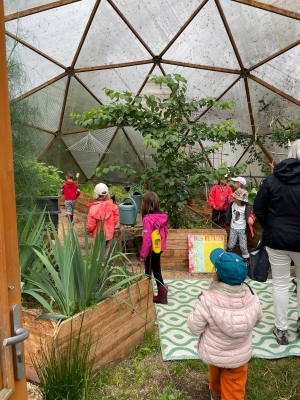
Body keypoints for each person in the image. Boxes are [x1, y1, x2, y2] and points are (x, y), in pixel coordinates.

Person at [187, 248, 262, 400]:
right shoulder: (253, 300)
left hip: (215, 353)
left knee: (215, 375)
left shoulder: (207, 301)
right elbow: (258, 320)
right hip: (239, 357)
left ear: (217, 275)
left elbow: (194, 328)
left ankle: (216, 394)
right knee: (234, 388)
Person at [253, 139, 300, 345]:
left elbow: (259, 207)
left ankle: (281, 330)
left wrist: (270, 226)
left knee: (280, 283)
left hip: (276, 240)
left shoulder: (273, 179)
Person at [139, 192, 169, 304]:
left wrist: (143, 255)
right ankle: (160, 291)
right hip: (159, 247)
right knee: (155, 268)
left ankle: (160, 295)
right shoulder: (161, 216)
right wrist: (161, 244)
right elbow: (166, 231)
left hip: (151, 249)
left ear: (145, 205)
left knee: (150, 270)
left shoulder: (148, 219)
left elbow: (147, 239)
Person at [87, 183, 119, 259]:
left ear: (96, 194)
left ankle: (99, 266)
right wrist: (111, 226)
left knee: (99, 250)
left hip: (99, 234)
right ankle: (106, 265)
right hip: (109, 233)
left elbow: (91, 224)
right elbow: (116, 217)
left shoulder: (93, 208)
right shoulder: (112, 205)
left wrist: (88, 230)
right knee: (107, 248)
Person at [225, 189, 255, 268]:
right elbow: (228, 212)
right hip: (233, 229)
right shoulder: (232, 204)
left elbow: (251, 215)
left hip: (242, 230)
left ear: (240, 199)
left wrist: (251, 219)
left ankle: (246, 261)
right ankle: (227, 257)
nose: (233, 198)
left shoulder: (247, 208)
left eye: (235, 197)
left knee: (243, 247)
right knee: (230, 245)